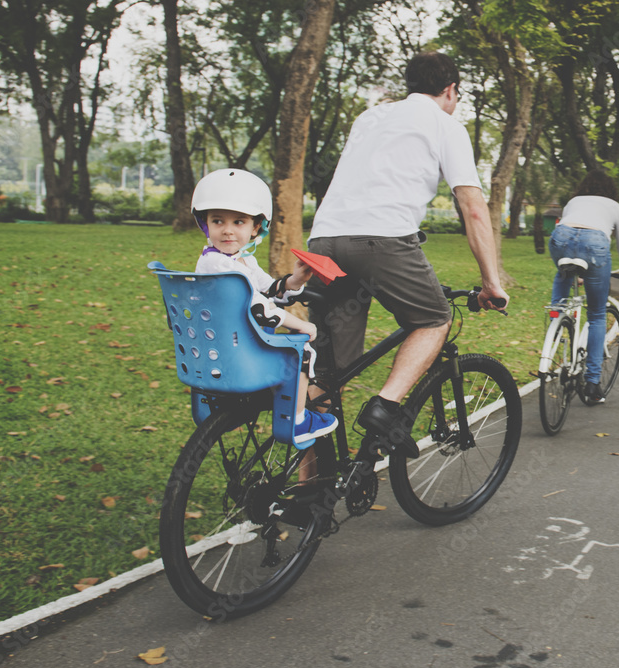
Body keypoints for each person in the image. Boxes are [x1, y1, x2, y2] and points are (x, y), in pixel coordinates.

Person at [306, 50, 509, 458]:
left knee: (330, 374)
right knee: (434, 317)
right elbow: (472, 207)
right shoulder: (444, 124)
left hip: (323, 241)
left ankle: (309, 490)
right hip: (382, 241)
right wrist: (491, 282)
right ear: (450, 90)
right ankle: (385, 408)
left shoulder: (370, 117)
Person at [191, 168, 338, 445]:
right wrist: (301, 325)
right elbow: (259, 308)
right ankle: (297, 421)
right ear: (205, 224)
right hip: (232, 350)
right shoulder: (218, 265)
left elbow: (268, 290)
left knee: (287, 350)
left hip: (227, 345)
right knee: (300, 352)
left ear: (255, 227)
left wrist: (294, 281)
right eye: (218, 221)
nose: (227, 230)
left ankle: (274, 402)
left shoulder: (241, 261)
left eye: (238, 222)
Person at [548, 170, 619, 406]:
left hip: (560, 239)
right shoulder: (616, 207)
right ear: (610, 189)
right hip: (595, 247)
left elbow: (572, 232)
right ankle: (592, 384)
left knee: (562, 275)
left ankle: (556, 325)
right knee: (598, 314)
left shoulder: (573, 202)